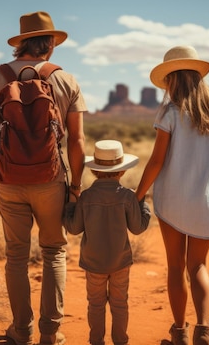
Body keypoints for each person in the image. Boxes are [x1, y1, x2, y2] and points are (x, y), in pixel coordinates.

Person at [0, 11, 87, 345]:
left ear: (20, 43)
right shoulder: (66, 80)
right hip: (51, 180)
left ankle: (21, 331)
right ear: (50, 45)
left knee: (16, 256)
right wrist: (76, 187)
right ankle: (50, 333)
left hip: (7, 180)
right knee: (54, 251)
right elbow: (77, 141)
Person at [135, 46, 209, 345]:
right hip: (207, 203)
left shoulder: (171, 112)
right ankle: (204, 329)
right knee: (199, 266)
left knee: (176, 266)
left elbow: (156, 161)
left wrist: (137, 195)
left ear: (173, 79)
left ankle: (179, 333)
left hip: (173, 201)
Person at [63, 139, 151, 345]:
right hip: (121, 262)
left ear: (94, 171)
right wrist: (142, 204)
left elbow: (73, 228)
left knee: (95, 304)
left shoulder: (86, 197)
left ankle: (96, 341)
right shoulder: (128, 197)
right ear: (121, 171)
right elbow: (138, 228)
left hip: (93, 263)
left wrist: (70, 204)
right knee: (120, 304)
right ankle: (120, 341)